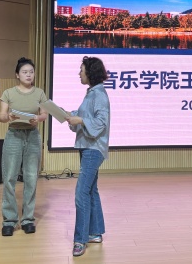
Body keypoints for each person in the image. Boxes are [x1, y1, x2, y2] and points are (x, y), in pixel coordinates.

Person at [65, 56, 111, 257]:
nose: (79, 73)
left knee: (81, 192)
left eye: (81, 70)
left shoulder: (99, 95)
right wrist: (72, 117)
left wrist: (81, 120)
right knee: (91, 190)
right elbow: (87, 118)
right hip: (88, 147)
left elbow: (100, 123)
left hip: (93, 149)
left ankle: (80, 239)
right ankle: (95, 232)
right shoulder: (92, 93)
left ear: (90, 73)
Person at [0, 57, 48, 237]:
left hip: (32, 136)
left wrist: (38, 119)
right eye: (25, 72)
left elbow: (44, 114)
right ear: (17, 75)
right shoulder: (8, 93)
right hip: (14, 135)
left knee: (31, 177)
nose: (29, 75)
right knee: (9, 177)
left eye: (31, 72)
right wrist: (9, 117)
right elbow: (1, 116)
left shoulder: (39, 93)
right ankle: (9, 220)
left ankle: (28, 219)